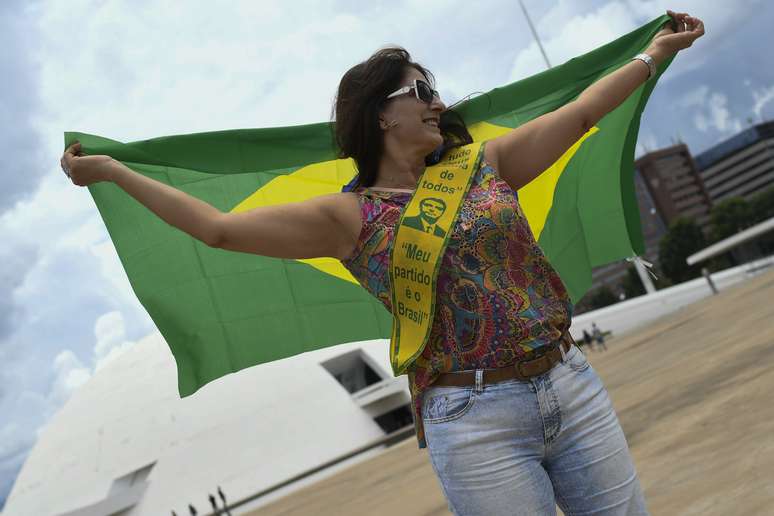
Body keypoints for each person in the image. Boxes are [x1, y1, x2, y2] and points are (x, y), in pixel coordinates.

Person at [61, 11, 703, 515]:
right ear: (380, 114)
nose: (435, 101)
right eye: (419, 90)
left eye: (435, 90)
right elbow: (219, 231)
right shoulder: (347, 217)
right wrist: (114, 173)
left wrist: (654, 55)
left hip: (569, 380)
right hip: (474, 420)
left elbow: (585, 110)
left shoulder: (486, 164)